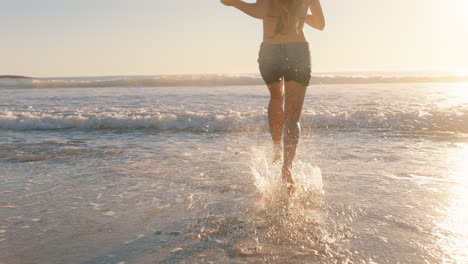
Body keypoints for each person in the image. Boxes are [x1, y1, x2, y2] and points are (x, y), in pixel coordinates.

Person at [221, 0, 325, 194]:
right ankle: (288, 167)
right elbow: (320, 24)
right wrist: (299, 17)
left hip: (271, 50)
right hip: (298, 50)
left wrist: (235, 3)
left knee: (277, 98)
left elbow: (259, 11)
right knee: (293, 118)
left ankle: (277, 149)